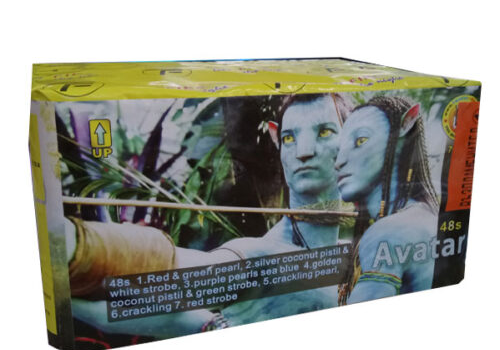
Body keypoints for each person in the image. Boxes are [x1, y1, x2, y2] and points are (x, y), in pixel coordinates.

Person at [66, 93, 353, 336]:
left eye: (324, 132)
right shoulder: (259, 257)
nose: (303, 151)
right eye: (289, 137)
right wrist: (74, 246)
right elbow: (189, 268)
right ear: (277, 139)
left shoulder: (353, 253)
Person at [334, 96, 439, 305]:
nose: (339, 162)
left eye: (360, 141)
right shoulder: (427, 215)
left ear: (405, 126)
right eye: (339, 149)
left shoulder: (387, 234)